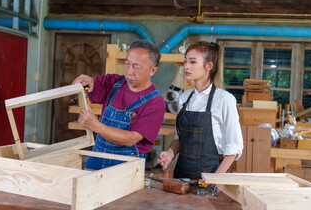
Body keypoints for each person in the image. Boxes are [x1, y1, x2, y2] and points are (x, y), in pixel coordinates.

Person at [72, 39, 166, 170]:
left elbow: (131, 139)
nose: (129, 72)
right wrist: (83, 82)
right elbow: (89, 85)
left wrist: (95, 126)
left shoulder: (155, 102)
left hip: (126, 166)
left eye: (136, 67)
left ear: (152, 71)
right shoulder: (113, 83)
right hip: (97, 158)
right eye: (127, 64)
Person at [157, 41, 243, 180]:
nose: (186, 66)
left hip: (210, 177)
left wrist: (215, 179)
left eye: (192, 62)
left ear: (209, 66)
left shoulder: (224, 99)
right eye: (185, 61)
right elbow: (180, 138)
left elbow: (234, 147)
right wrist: (170, 154)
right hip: (181, 177)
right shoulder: (184, 98)